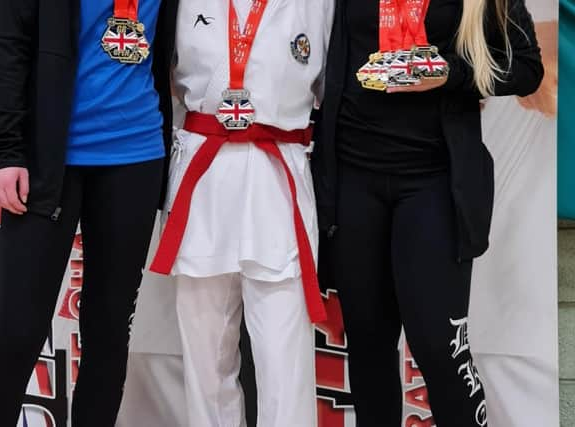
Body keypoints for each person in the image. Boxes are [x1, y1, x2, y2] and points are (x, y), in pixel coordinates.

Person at [312, 0, 543, 426]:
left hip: (434, 183)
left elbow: (527, 68)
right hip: (352, 180)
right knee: (368, 345)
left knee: (439, 346)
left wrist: (449, 72)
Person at [0, 0, 178, 426]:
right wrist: (7, 150)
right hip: (50, 160)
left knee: (109, 329)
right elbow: (9, 44)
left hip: (136, 154)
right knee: (19, 329)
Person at [148, 0, 333, 425]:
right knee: (206, 359)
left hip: (279, 175)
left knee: (285, 361)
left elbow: (332, 86)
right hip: (205, 177)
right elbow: (164, 73)